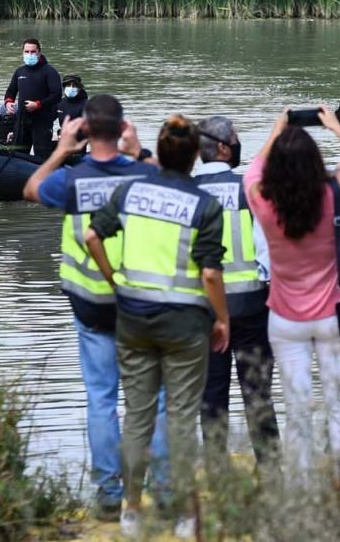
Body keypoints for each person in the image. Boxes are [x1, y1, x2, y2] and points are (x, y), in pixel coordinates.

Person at [22, 95, 169, 521]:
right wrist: (138, 148)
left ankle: (108, 493)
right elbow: (174, 177)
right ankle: (162, 489)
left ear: (84, 129)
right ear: (121, 127)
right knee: (155, 400)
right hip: (139, 299)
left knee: (101, 397)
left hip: (90, 303)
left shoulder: (72, 180)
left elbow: (30, 189)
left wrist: (62, 150)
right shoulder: (142, 175)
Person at [82, 115, 229, 539]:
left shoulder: (130, 191)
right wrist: (221, 320)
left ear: (161, 154)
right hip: (184, 323)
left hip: (132, 318)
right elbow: (211, 276)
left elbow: (93, 237)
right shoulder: (205, 204)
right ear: (192, 160)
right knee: (181, 417)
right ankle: (184, 514)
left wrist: (115, 282)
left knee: (137, 415)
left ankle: (129, 510)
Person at [244, 107, 340, 486]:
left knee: (296, 407)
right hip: (334, 314)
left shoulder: (262, 201)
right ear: (316, 161)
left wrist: (275, 130)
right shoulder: (337, 193)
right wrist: (333, 125)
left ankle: (299, 487)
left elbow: (253, 170)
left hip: (285, 319)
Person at [194, 116, 280, 467]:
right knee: (257, 391)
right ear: (225, 148)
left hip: (203, 310)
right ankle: (271, 467)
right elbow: (266, 252)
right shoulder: (249, 188)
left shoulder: (186, 191)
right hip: (251, 306)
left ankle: (216, 470)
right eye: (238, 138)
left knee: (211, 394)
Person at [3, 38, 61, 159]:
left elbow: (56, 95)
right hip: (22, 119)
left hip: (42, 120)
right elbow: (11, 91)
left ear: (39, 53)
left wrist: (38, 105)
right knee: (17, 155)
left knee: (41, 155)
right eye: (27, 51)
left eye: (33, 52)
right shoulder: (19, 71)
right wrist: (8, 103)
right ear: (23, 52)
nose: (30, 54)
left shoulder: (49, 71)